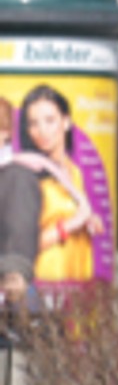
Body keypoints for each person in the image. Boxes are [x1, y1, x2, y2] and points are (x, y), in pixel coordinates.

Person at [21, 85, 97, 284]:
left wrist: (88, 221)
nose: (41, 131)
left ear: (66, 121)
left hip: (78, 278)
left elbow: (70, 214)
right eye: (33, 123)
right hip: (44, 286)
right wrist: (71, 225)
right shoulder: (28, 173)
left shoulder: (75, 172)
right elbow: (21, 242)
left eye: (49, 120)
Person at [0, 98, 46, 306]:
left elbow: (20, 226)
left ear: (6, 132)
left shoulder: (15, 175)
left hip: (8, 299)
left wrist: (14, 272)